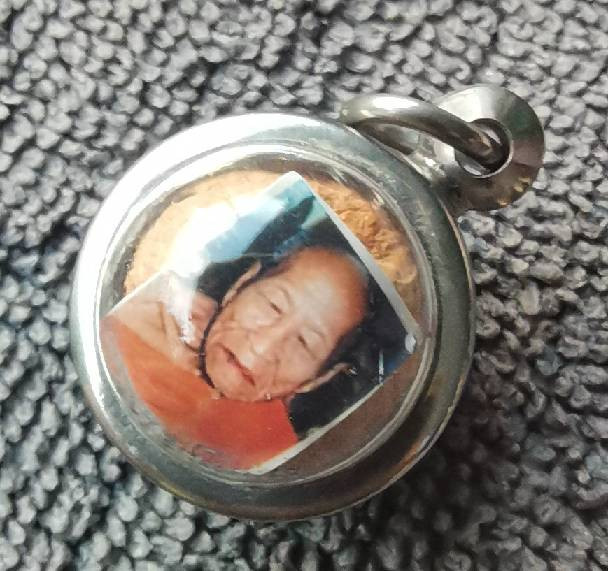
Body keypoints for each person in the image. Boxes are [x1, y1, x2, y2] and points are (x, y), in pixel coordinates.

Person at [101, 246, 369, 471]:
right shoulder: (144, 307)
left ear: (317, 379)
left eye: (304, 343)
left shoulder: (273, 459)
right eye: (272, 305)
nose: (262, 348)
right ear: (239, 285)